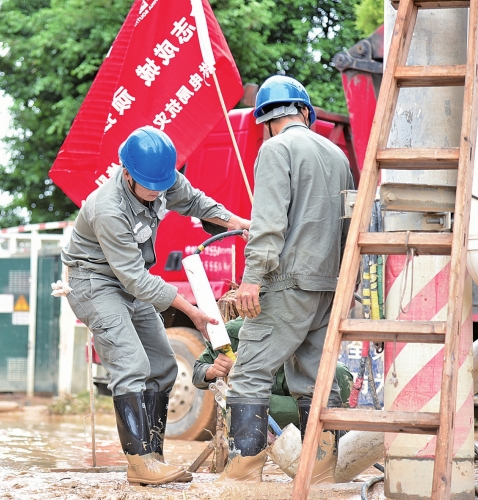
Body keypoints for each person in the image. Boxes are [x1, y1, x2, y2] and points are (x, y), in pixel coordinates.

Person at [61, 126, 250, 486]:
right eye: (150, 185)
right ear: (127, 173)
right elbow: (134, 279)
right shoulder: (107, 208)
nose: (159, 191)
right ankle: (139, 463)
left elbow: (195, 201)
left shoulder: (161, 178)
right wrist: (192, 312)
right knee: (131, 364)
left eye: (163, 184)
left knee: (164, 365)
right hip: (94, 282)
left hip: (130, 283)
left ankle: (155, 459)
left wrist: (238, 223)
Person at [220, 75, 355, 484]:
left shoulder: (274, 149)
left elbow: (269, 224)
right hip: (328, 284)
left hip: (285, 283)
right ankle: (321, 474)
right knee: (316, 380)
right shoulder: (337, 156)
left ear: (265, 119)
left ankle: (242, 476)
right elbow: (347, 226)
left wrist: (251, 278)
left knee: (249, 373)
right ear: (305, 111)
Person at [192, 316, 354, 431]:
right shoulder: (233, 332)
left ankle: (333, 436)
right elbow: (198, 372)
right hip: (262, 399)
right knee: (247, 402)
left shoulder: (303, 326)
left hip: (304, 396)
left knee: (338, 372)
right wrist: (212, 371)